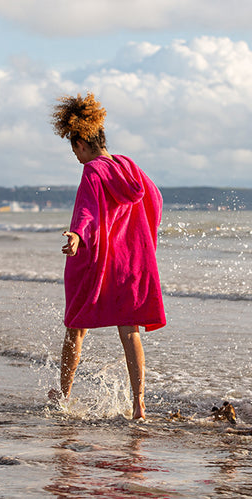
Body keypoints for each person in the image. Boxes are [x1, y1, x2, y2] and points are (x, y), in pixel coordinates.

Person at [50, 92, 166, 419]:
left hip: (97, 263)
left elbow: (86, 210)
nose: (75, 156)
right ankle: (139, 405)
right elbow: (154, 199)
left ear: (81, 144)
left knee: (76, 327)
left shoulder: (93, 170)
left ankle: (63, 397)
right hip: (130, 263)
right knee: (129, 330)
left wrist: (76, 235)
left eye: (74, 149)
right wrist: (143, 241)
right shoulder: (128, 165)